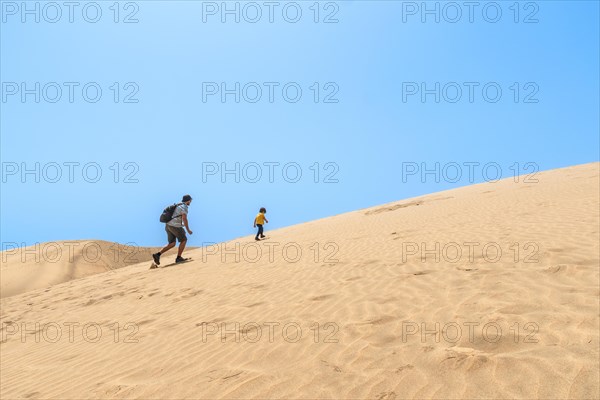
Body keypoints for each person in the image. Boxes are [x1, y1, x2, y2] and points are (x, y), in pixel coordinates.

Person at [153, 195, 193, 264]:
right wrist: (188, 229)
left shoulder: (178, 205)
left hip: (168, 225)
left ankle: (157, 254)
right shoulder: (184, 206)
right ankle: (178, 258)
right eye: (190, 200)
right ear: (188, 200)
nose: (190, 202)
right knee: (184, 240)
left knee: (172, 243)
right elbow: (184, 218)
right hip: (175, 225)